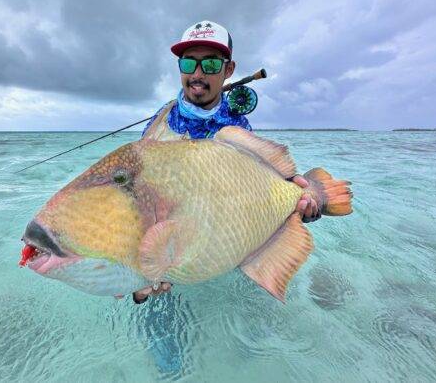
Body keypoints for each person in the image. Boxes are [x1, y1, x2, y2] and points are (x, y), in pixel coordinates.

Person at [133, 20, 320, 304]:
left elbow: (255, 190)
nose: (197, 74)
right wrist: (137, 275)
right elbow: (140, 192)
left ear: (228, 70)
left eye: (209, 65)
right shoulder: (161, 120)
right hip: (172, 248)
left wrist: (295, 198)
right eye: (188, 64)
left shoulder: (237, 126)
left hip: (221, 248)